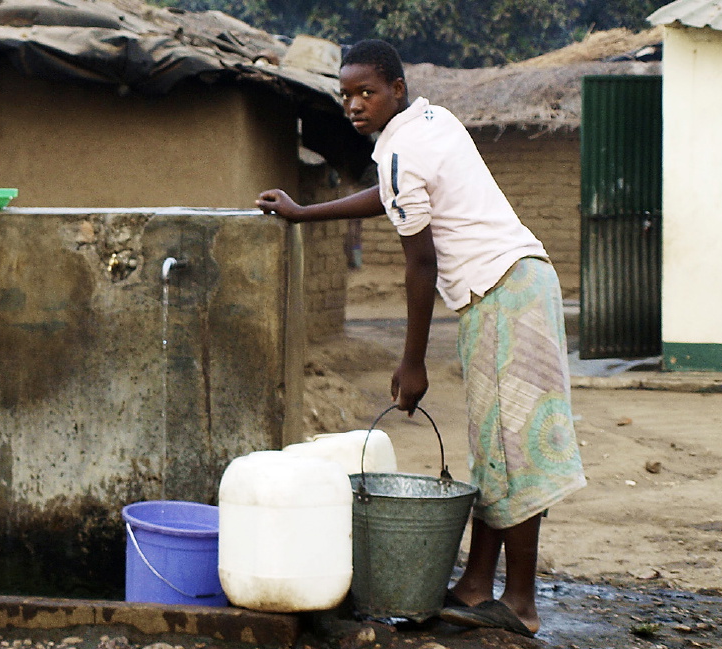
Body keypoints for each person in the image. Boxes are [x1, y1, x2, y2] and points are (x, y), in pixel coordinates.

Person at [255, 39, 585, 638]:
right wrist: (306, 212)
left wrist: (412, 364)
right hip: (514, 286)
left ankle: (522, 601)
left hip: (505, 293)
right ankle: (479, 585)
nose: (354, 105)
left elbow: (420, 265)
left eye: (366, 92)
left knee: (517, 451)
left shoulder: (401, 150)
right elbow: (394, 196)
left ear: (396, 90)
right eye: (346, 94)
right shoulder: (431, 121)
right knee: (494, 448)